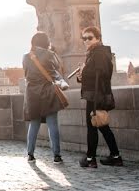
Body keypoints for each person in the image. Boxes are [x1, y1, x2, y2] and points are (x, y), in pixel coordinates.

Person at [77, 26, 122, 168]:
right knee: (102, 125)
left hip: (97, 95)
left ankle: (90, 159)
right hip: (95, 94)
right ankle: (116, 157)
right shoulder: (94, 52)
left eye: (90, 37)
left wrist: (84, 71)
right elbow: (92, 75)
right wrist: (81, 75)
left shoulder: (99, 52)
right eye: (84, 38)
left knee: (93, 127)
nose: (86, 41)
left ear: (98, 38)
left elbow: (101, 73)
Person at [22, 32, 67, 163]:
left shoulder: (26, 57)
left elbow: (26, 74)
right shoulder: (50, 55)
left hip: (32, 94)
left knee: (34, 124)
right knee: (52, 124)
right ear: (46, 42)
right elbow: (56, 70)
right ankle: (56, 156)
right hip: (48, 92)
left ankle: (30, 154)